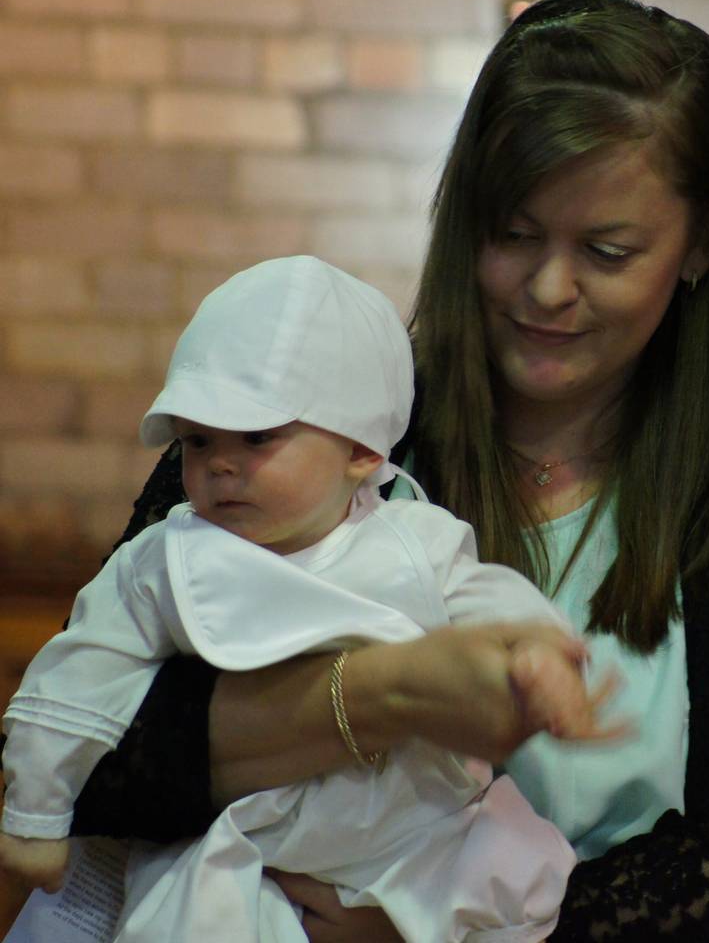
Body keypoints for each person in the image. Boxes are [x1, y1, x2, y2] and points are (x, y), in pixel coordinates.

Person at [2, 0, 709, 942]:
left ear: (701, 242)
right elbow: (92, 749)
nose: (548, 288)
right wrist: (386, 693)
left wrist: (460, 929)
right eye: (513, 234)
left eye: (606, 250)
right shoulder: (302, 431)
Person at [1, 256, 599, 941]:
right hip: (248, 843)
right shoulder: (168, 558)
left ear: (362, 451)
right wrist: (35, 815)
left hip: (416, 829)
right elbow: (77, 677)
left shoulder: (414, 539)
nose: (219, 463)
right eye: (197, 440)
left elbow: (493, 600)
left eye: (257, 437)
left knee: (524, 872)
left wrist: (537, 653)